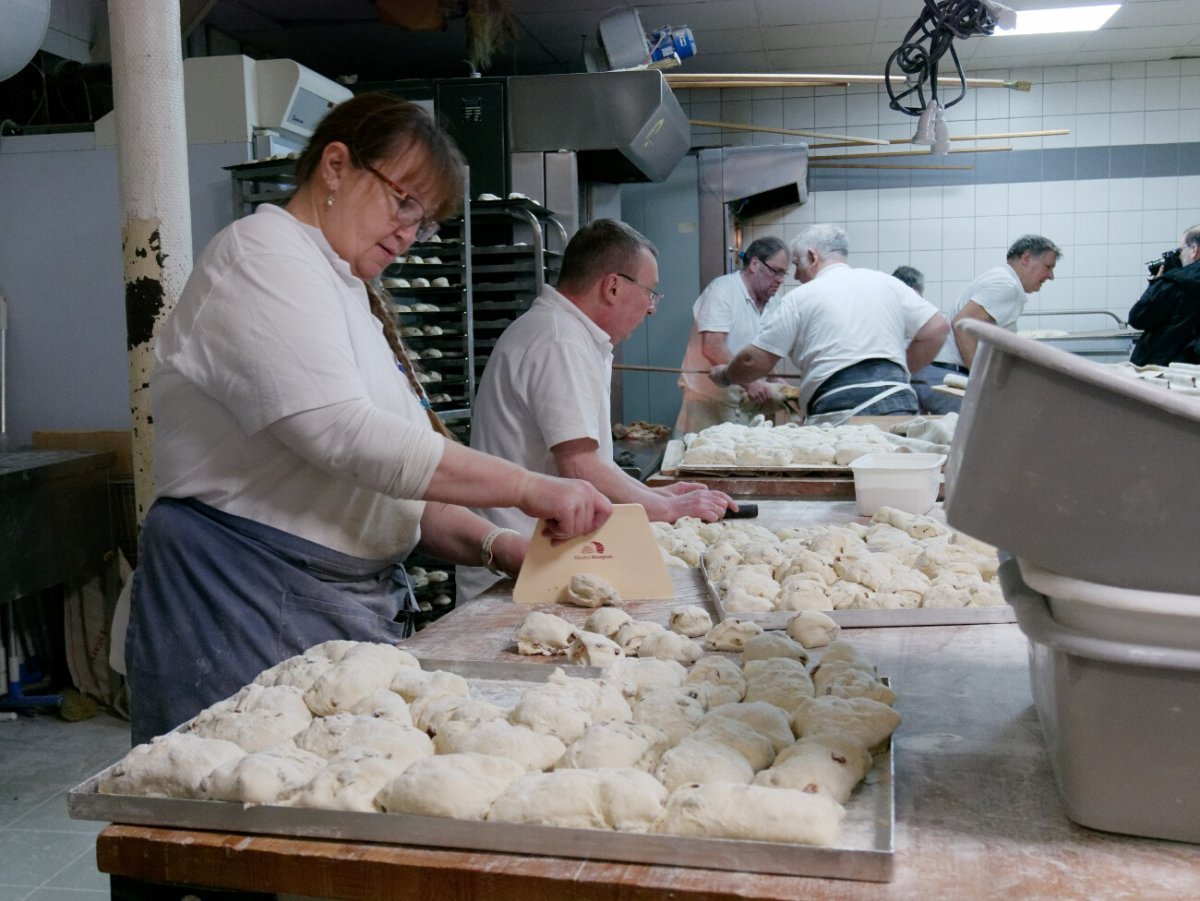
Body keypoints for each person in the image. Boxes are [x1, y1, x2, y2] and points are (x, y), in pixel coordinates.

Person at [126, 93, 611, 744]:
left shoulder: (347, 285)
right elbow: (346, 439)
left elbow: (401, 480)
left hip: (330, 606)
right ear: (335, 165)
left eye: (425, 221)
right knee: (247, 813)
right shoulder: (262, 254)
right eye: (402, 202)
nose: (409, 232)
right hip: (241, 603)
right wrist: (529, 487)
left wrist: (502, 547)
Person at [458, 219, 738, 602]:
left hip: (537, 562)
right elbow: (579, 468)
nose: (651, 309)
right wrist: (666, 507)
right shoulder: (559, 340)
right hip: (517, 572)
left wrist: (655, 494)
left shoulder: (566, 333)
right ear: (613, 286)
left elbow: (583, 465)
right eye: (651, 293)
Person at [710, 224, 949, 425]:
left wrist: (727, 375)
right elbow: (937, 328)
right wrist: (897, 370)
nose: (795, 277)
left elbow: (753, 361)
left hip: (840, 410)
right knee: (895, 476)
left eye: (796, 265)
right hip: (899, 404)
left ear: (812, 257)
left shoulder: (801, 297)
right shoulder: (885, 282)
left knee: (845, 478)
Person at [913, 234, 1061, 413]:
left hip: (935, 373)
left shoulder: (1002, 279)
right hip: (946, 376)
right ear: (1027, 258)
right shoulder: (1006, 285)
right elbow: (962, 326)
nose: (1051, 276)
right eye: (1048, 267)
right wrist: (981, 382)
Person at [674, 236, 794, 434]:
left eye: (784, 273)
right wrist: (750, 382)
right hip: (709, 400)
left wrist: (776, 379)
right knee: (703, 459)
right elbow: (712, 347)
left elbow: (762, 351)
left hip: (746, 400)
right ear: (755, 264)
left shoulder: (774, 303)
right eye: (776, 271)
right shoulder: (722, 291)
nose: (780, 279)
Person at [1127, 225, 1200, 367]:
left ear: (1194, 250)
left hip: (1165, 369)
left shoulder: (1175, 281)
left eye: (1180, 250)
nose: (1179, 256)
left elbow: (1138, 318)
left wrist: (1157, 283)